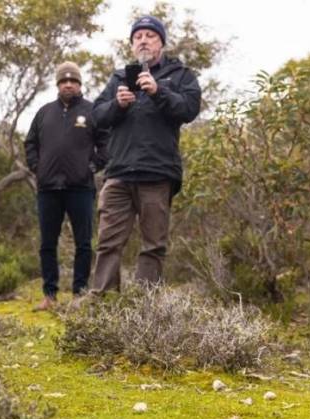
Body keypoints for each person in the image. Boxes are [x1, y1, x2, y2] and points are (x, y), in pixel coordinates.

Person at [90, 15, 202, 293]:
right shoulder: (118, 78)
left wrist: (158, 91)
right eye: (137, 36)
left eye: (150, 35)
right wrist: (117, 105)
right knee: (108, 242)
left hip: (157, 172)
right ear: (131, 45)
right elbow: (96, 116)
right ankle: (102, 304)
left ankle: (145, 308)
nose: (143, 40)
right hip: (118, 173)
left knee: (153, 245)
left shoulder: (180, 76)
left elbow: (188, 109)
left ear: (161, 43)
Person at [24, 62, 109, 311]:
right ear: (58, 85)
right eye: (63, 81)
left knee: (84, 243)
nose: (68, 84)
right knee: (47, 243)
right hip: (48, 188)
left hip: (80, 187)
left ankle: (79, 294)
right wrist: (36, 167)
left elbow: (106, 144)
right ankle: (49, 295)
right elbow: (30, 143)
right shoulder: (44, 112)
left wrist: (91, 167)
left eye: (73, 81)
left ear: (80, 84)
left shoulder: (92, 111)